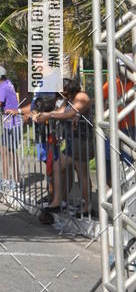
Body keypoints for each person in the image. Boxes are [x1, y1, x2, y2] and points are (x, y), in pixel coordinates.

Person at [35, 78, 94, 218]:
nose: (62, 95)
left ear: (69, 89)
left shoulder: (81, 97)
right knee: (58, 166)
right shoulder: (69, 99)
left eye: (63, 92)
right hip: (71, 141)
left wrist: (49, 115)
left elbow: (70, 114)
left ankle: (87, 206)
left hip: (81, 140)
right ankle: (57, 201)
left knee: (82, 174)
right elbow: (60, 111)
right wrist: (44, 113)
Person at [0, 64, 22, 192]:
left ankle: (12, 182)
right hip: (12, 123)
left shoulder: (3, 87)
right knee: (6, 151)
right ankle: (10, 180)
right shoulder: (8, 83)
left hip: (12, 124)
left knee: (8, 152)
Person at [102, 63, 136, 188]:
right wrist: (105, 103)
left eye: (126, 69)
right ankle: (116, 194)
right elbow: (99, 99)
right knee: (108, 161)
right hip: (112, 128)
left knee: (129, 162)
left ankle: (128, 194)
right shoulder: (112, 83)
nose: (122, 71)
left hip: (131, 128)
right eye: (121, 68)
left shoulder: (133, 84)